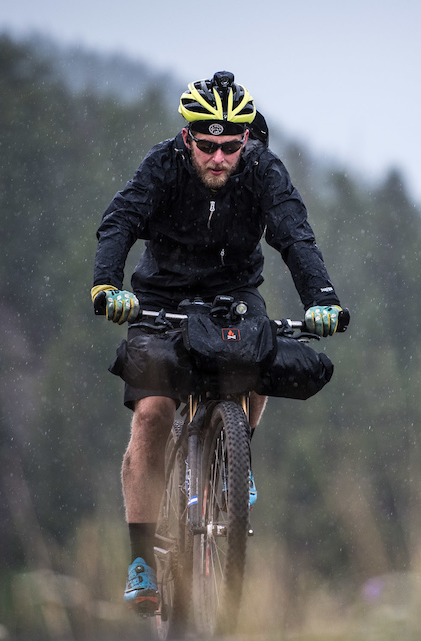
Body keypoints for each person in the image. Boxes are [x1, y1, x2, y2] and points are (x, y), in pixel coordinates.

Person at [91, 71, 346, 613]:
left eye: (230, 147)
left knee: (258, 353)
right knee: (155, 411)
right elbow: (120, 220)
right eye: (206, 146)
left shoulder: (262, 170)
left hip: (233, 292)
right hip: (161, 295)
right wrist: (107, 284)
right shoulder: (163, 166)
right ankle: (141, 561)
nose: (217, 159)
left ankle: (234, 458)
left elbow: (294, 233)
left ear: (246, 141)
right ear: (188, 138)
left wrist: (321, 297)